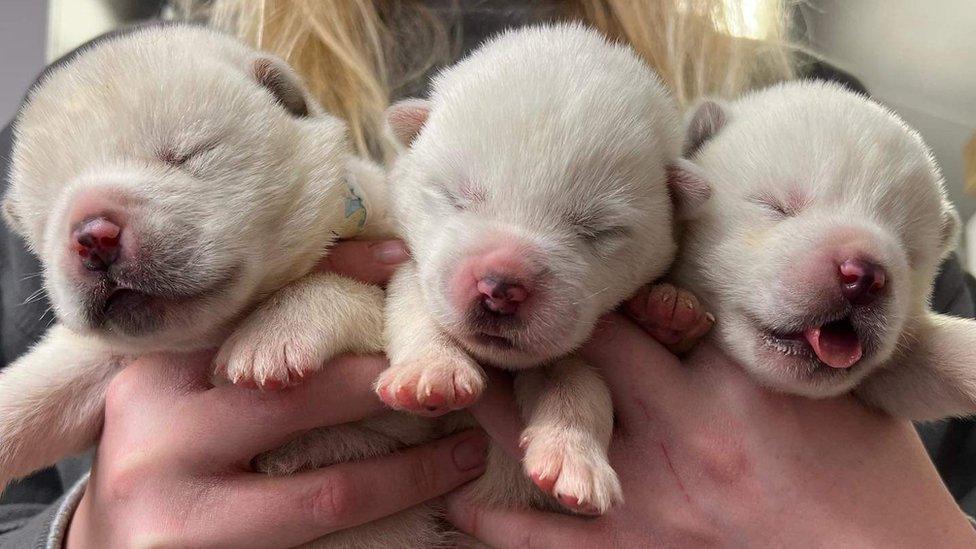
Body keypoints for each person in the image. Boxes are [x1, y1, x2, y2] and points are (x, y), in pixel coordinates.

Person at [1, 1, 974, 546]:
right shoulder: (101, 107)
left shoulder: (802, 116)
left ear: (681, 193)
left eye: (599, 227)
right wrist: (77, 536)